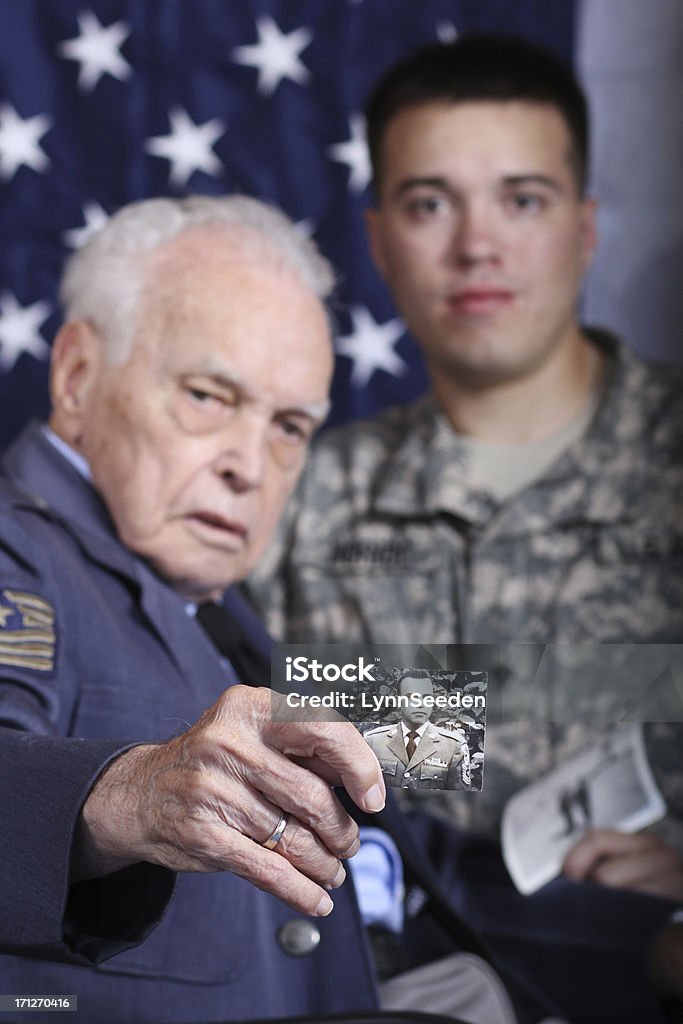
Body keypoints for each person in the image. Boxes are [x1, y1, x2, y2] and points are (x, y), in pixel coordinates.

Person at [0, 193, 589, 1024]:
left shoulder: (223, 615)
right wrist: (126, 796)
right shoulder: (18, 551)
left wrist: (651, 932)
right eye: (207, 395)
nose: (250, 464)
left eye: (289, 425)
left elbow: (409, 841)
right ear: (78, 376)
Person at [246, 34, 683, 1016]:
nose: (474, 245)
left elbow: (325, 727)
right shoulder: (293, 491)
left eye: (520, 199)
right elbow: (241, 732)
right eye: (428, 203)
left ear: (583, 227)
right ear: (377, 237)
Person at [364, 671, 471, 790]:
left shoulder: (453, 746)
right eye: (412, 697)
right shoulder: (373, 742)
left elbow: (459, 799)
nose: (420, 704)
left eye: (427, 698)